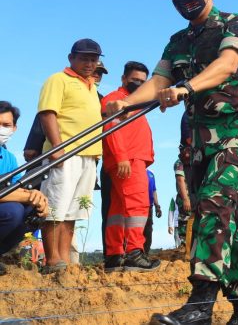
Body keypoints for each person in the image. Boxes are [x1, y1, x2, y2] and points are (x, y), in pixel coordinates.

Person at [106, 0, 238, 325]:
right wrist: (126, 103)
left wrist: (187, 87)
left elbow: (227, 64)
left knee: (213, 204)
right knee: (216, 216)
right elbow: (160, 80)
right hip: (197, 138)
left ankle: (199, 304)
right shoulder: (177, 41)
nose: (183, 1)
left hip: (235, 131)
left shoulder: (233, 23)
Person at [38, 39, 103, 273]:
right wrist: (57, 146)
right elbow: (48, 113)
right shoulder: (58, 79)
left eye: (94, 59)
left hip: (89, 155)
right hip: (66, 153)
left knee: (75, 210)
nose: (89, 63)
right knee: (56, 206)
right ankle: (52, 259)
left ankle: (65, 259)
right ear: (71, 58)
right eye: (84, 58)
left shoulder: (92, 86)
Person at [101, 61, 160, 272]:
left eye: (143, 82)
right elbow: (110, 128)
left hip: (129, 160)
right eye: (135, 80)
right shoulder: (115, 101)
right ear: (124, 79)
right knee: (137, 206)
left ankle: (115, 255)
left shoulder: (134, 103)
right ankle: (135, 252)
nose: (139, 84)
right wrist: (122, 157)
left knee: (118, 210)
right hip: (129, 161)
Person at [0, 101, 49, 275]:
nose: (2, 129)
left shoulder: (9, 158)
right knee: (13, 211)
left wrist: (36, 197)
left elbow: (16, 188)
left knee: (33, 210)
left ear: (14, 128)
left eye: (6, 125)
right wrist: (26, 196)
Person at [144, 168, 162, 255]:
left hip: (149, 207)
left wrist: (157, 205)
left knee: (148, 231)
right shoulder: (134, 171)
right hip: (138, 207)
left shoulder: (151, 174)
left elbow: (154, 190)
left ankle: (145, 254)